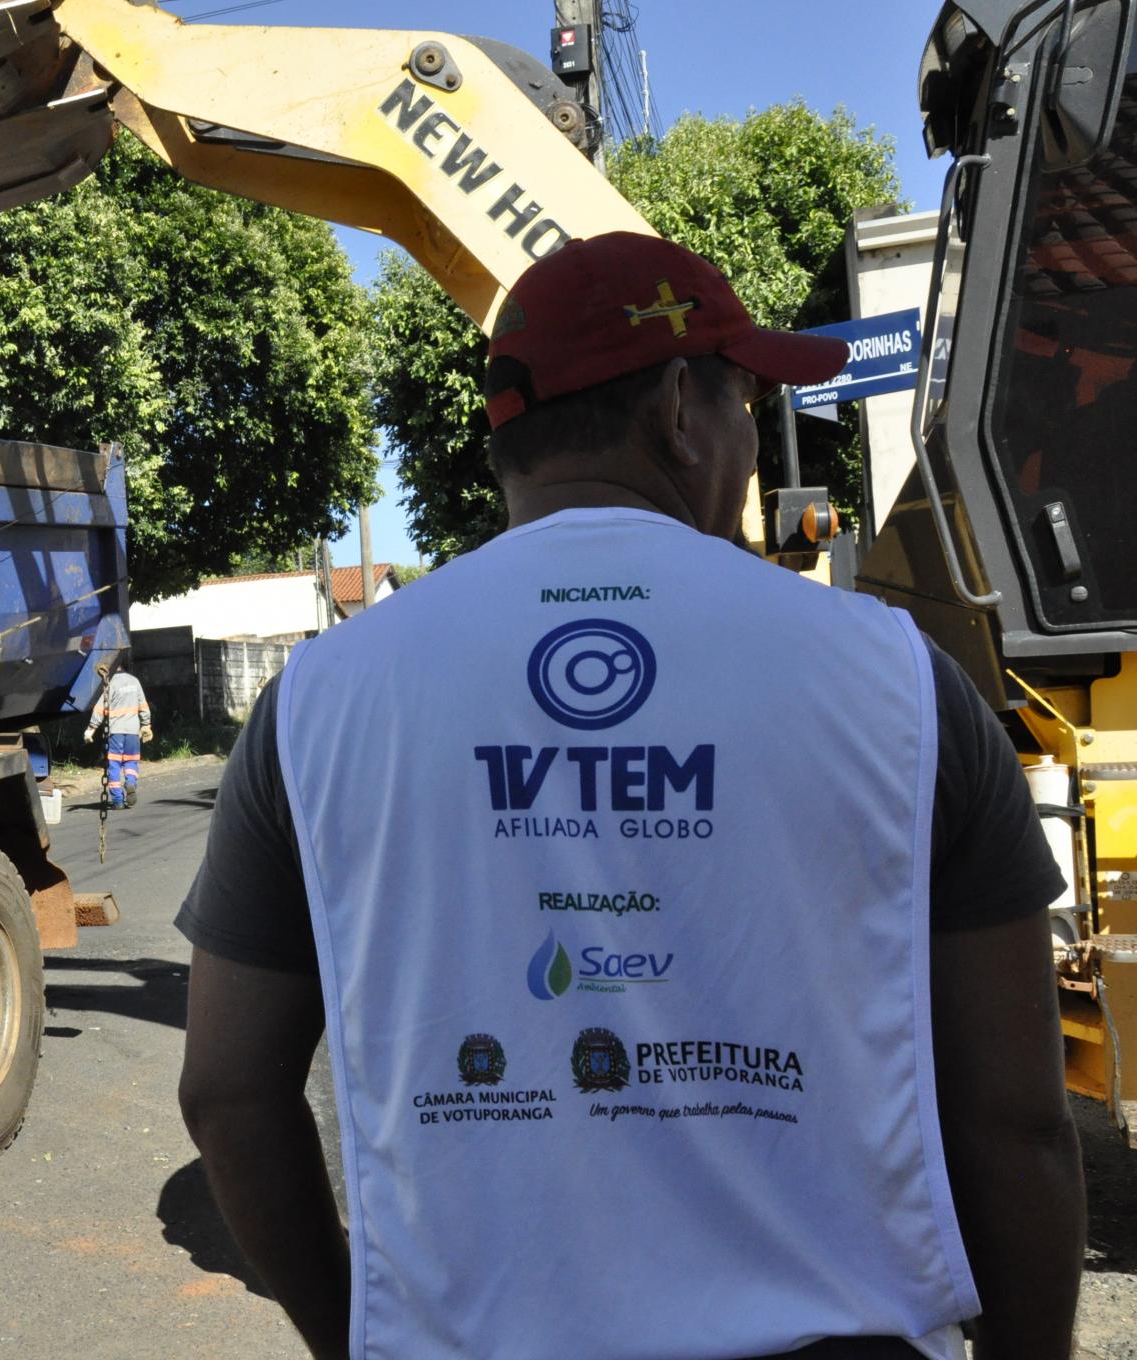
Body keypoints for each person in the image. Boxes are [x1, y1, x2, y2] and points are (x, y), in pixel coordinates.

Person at [174, 233, 1085, 1360]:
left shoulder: (318, 700)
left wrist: (345, 1337)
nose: (749, 445)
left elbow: (225, 1091)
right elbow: (1017, 1123)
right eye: (747, 403)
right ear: (676, 411)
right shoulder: (898, 682)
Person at [83, 657, 153, 808]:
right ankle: (130, 783)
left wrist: (91, 729)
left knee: (113, 764)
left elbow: (100, 708)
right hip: (133, 731)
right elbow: (143, 706)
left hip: (116, 732)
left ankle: (117, 801)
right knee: (131, 761)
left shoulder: (110, 683)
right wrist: (146, 725)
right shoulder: (135, 681)